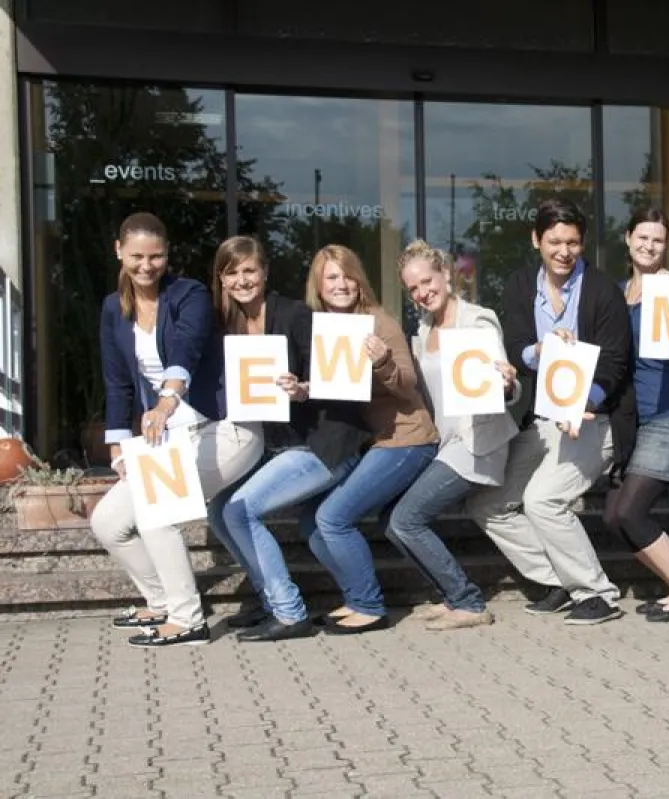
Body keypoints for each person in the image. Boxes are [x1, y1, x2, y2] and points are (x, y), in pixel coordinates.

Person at [222, 245, 438, 641]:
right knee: (312, 522)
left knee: (330, 518)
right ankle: (356, 599)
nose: (341, 285)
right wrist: (301, 389)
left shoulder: (373, 321)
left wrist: (382, 361)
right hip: (362, 441)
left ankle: (365, 606)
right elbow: (327, 387)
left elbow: (406, 387)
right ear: (318, 287)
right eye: (331, 279)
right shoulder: (322, 325)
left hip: (392, 439)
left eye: (347, 276)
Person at [92, 213, 264, 648]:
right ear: (119, 251)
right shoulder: (114, 308)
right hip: (168, 439)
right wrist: (117, 448)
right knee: (107, 521)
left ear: (167, 254)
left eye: (156, 256)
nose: (147, 266)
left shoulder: (189, 295)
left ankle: (189, 622)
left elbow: (186, 346)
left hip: (225, 429)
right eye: (136, 256)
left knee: (156, 509)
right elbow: (118, 383)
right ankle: (163, 601)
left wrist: (169, 397)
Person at [467, 198, 634, 625]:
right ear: (536, 239)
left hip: (595, 419)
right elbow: (516, 350)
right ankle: (558, 577)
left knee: (542, 500)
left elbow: (616, 364)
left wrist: (586, 403)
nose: (564, 251)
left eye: (573, 242)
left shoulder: (602, 291)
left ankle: (597, 592)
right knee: (488, 503)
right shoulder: (522, 285)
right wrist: (538, 350)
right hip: (543, 421)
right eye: (555, 241)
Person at [387, 240, 519, 631]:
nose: (422, 292)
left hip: (477, 443)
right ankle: (452, 595)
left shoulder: (478, 320)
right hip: (446, 445)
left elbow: (500, 378)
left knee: (406, 519)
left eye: (427, 281)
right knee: (393, 522)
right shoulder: (424, 327)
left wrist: (507, 382)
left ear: (445, 274)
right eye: (413, 288)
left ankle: (468, 602)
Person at [603, 208, 669, 623]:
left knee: (630, 511)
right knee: (613, 517)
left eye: (658, 240)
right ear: (628, 238)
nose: (649, 246)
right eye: (642, 237)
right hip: (636, 419)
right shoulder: (616, 293)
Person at [206, 235, 315, 630]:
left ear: (265, 271)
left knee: (240, 509)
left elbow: (335, 377)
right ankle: (267, 596)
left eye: (249, 270)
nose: (242, 280)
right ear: (222, 279)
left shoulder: (295, 315)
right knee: (217, 509)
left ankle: (289, 611)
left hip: (312, 444)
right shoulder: (225, 325)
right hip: (267, 446)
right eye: (232, 272)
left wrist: (303, 388)